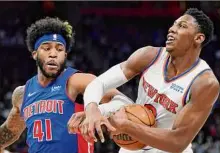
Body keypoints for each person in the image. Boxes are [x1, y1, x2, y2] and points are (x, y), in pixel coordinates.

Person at [69, 8, 220, 153]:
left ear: (198, 38)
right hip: (133, 147)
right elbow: (99, 83)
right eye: (173, 24)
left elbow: (178, 142)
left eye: (182, 26)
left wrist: (126, 126)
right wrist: (93, 110)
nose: (172, 29)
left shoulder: (204, 83)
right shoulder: (149, 56)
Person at [0, 17, 129, 153]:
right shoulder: (22, 94)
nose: (53, 54)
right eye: (47, 48)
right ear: (35, 54)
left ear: (65, 55)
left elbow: (124, 102)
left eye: (59, 49)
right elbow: (11, 130)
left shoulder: (77, 81)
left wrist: (96, 110)